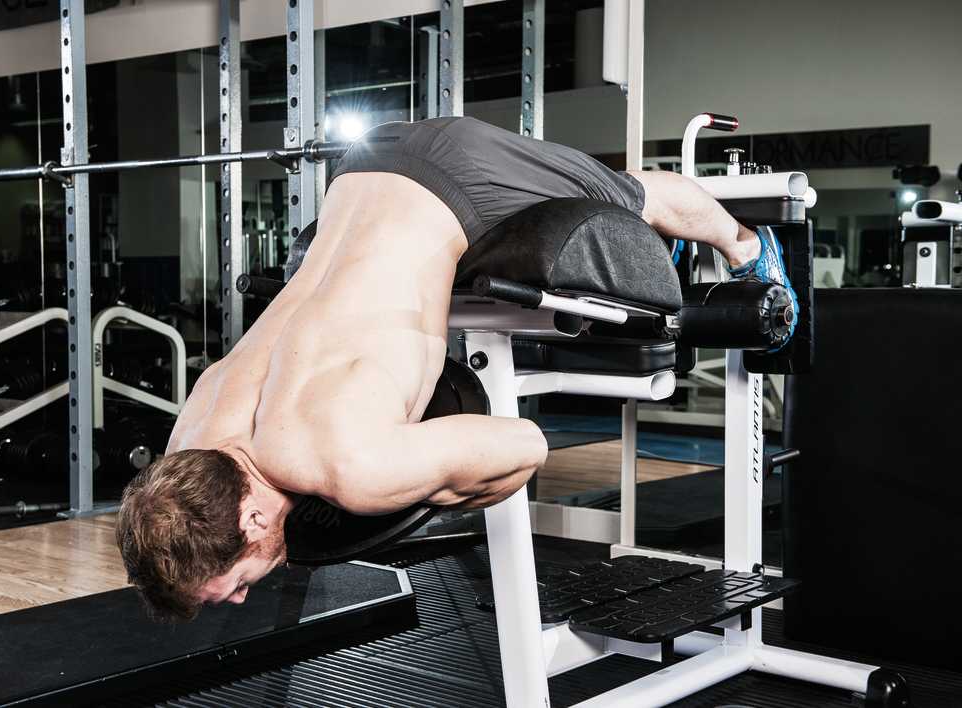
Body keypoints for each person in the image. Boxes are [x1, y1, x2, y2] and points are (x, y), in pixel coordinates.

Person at [116, 116, 796, 620]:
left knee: (629, 195)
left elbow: (525, 446)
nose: (240, 596)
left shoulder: (350, 466)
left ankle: (745, 246)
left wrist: (435, 489)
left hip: (459, 178)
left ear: (255, 523)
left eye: (232, 584)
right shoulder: (194, 432)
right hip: (360, 174)